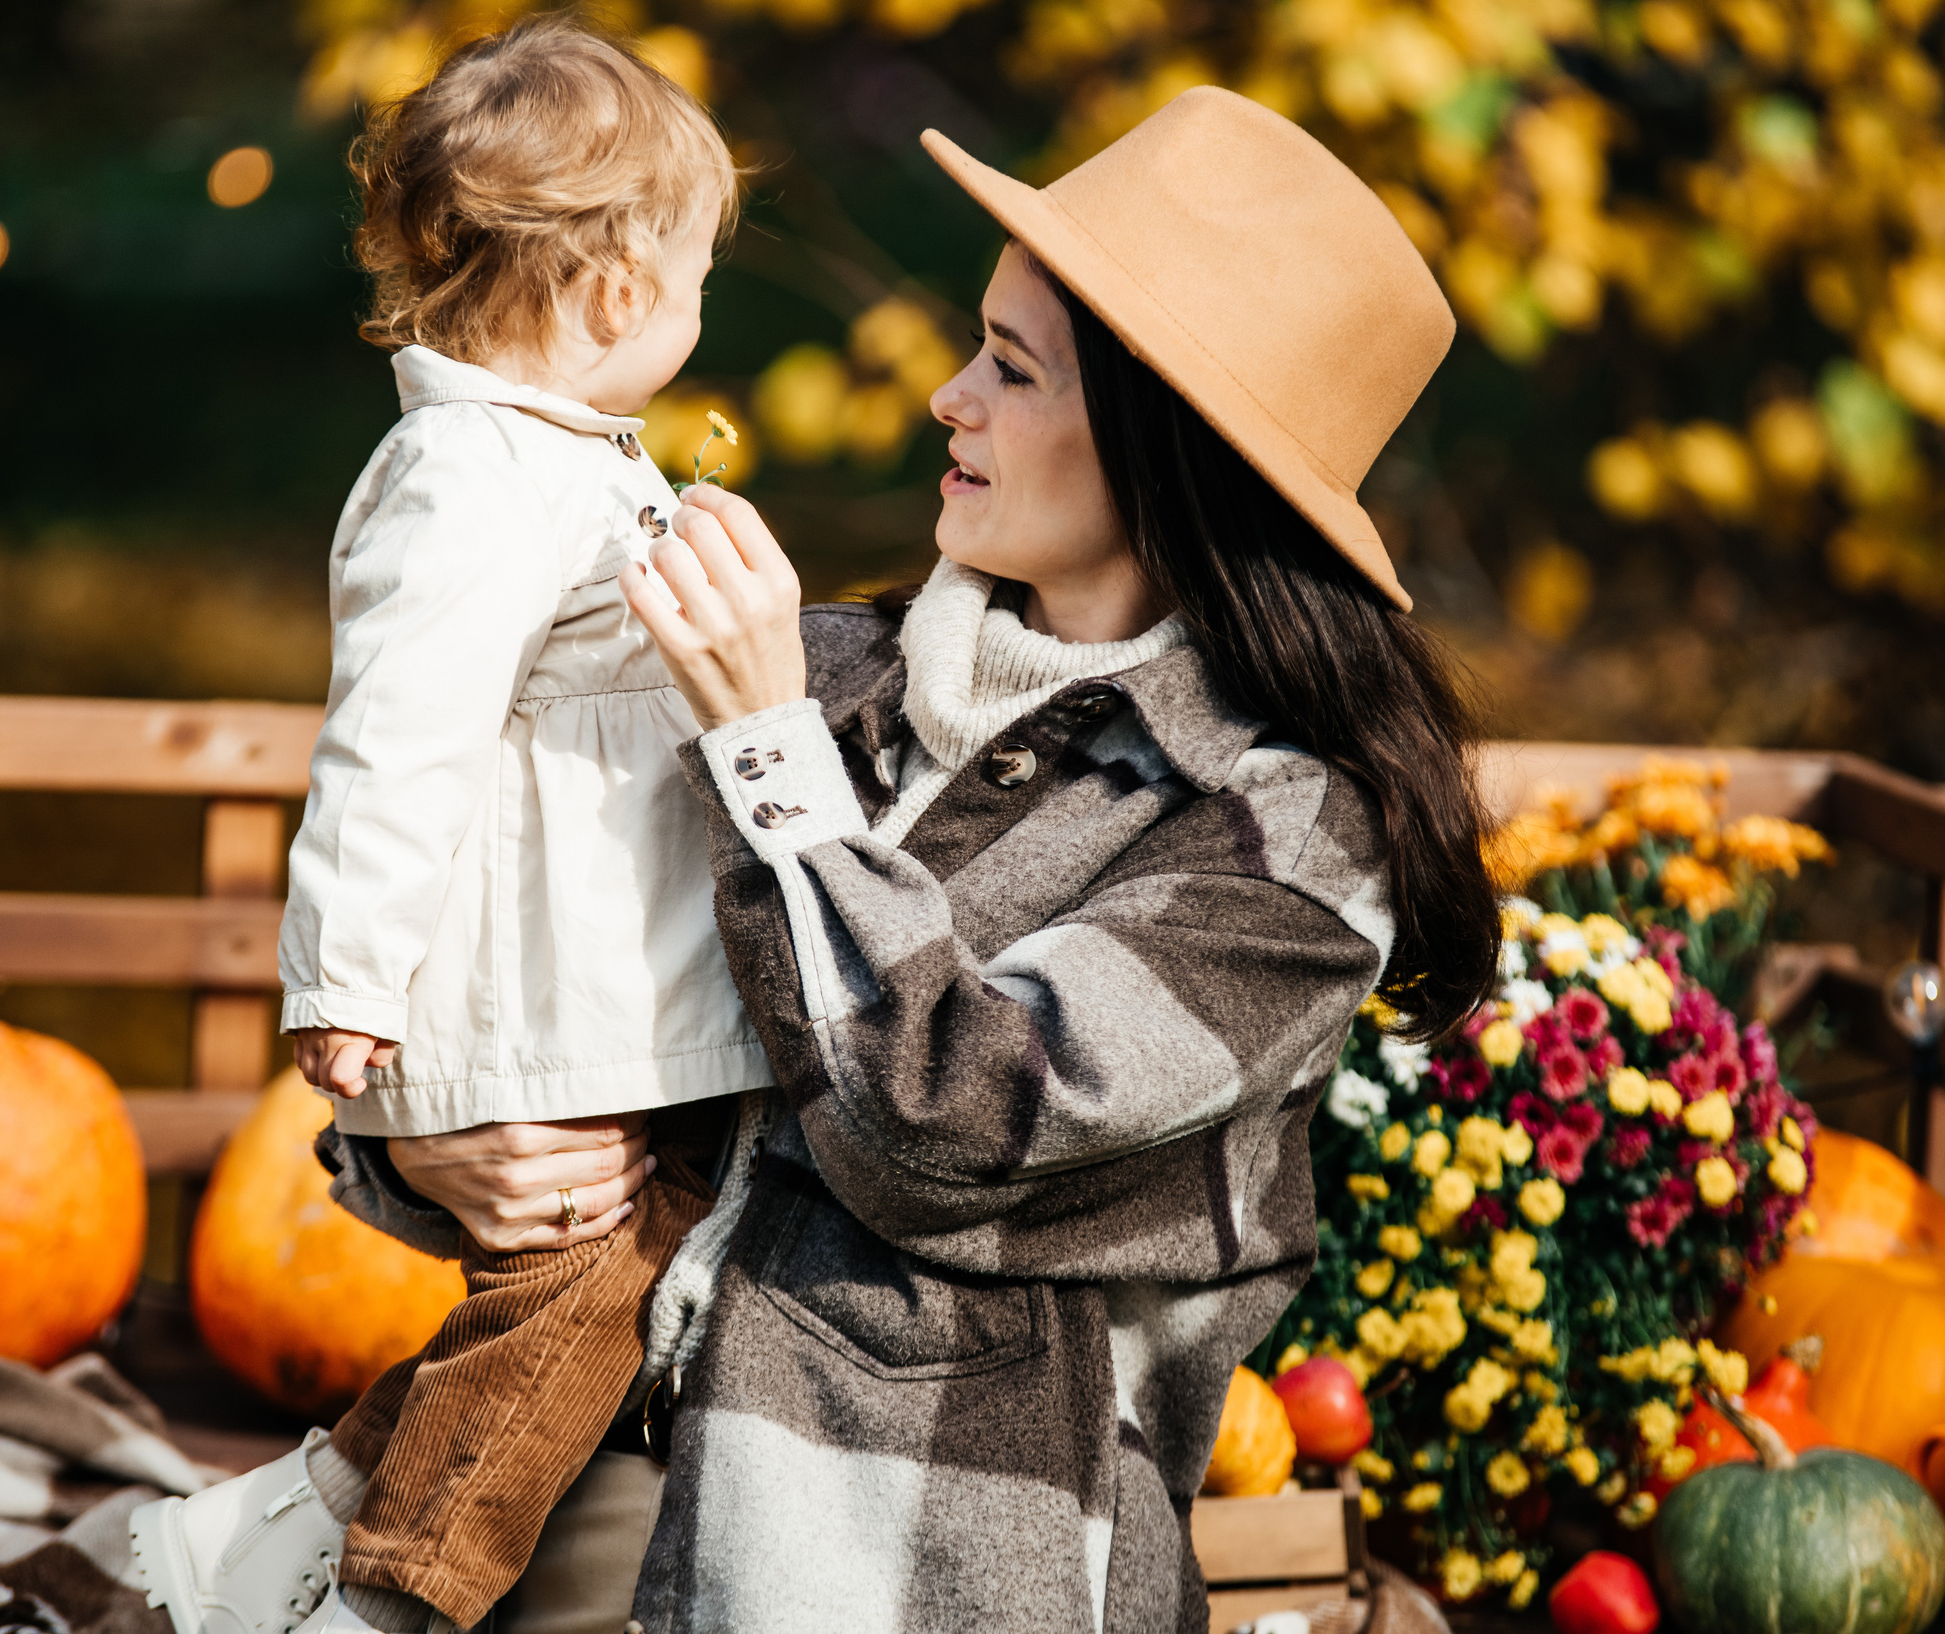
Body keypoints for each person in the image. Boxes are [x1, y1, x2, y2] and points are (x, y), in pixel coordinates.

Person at [331, 86, 1503, 1633]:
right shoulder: (824, 671)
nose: (949, 400)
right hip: (558, 1478)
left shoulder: (1283, 846)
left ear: (1170, 454)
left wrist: (770, 762)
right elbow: (524, 936)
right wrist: (423, 1153)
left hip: (914, 1563)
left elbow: (944, 1117)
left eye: (1010, 371)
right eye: (976, 348)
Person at [127, 15, 775, 1634]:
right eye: (696, 275)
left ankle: (280, 1527)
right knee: (572, 1309)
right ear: (622, 291)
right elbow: (393, 744)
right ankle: (386, 1603)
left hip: (609, 1013)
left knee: (569, 1314)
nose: (697, 310)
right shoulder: (474, 478)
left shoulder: (564, 466)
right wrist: (343, 977)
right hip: (537, 1016)